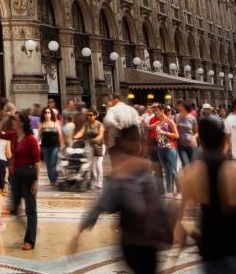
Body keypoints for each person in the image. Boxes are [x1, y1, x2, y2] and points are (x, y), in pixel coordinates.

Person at [70, 124, 173, 274]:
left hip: (142, 240)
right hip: (137, 241)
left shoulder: (135, 168)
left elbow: (101, 204)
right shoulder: (126, 172)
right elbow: (103, 203)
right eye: (137, 140)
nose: (140, 144)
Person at [173, 116, 236, 274]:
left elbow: (183, 218)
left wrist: (182, 244)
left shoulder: (189, 174)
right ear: (223, 140)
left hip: (210, 247)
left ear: (202, 142)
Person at [5, 111, 40, 249]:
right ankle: (30, 228)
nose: (13, 122)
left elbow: (37, 162)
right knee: (15, 207)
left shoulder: (31, 139)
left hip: (28, 177)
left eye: (15, 120)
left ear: (22, 123)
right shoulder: (13, 136)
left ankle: (29, 241)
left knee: (30, 210)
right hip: (15, 177)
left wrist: (36, 181)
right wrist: (5, 118)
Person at [76, 108, 106, 188]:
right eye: (88, 115)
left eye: (91, 115)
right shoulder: (86, 124)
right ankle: (94, 181)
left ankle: (99, 183)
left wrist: (95, 140)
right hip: (89, 146)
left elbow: (100, 135)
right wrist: (74, 137)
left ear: (95, 116)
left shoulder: (100, 125)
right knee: (91, 165)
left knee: (98, 165)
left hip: (99, 146)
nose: (89, 117)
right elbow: (81, 132)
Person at [154, 105, 179, 196]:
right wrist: (157, 137)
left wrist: (164, 133)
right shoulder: (158, 123)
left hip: (170, 147)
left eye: (156, 110)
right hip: (161, 148)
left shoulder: (169, 121)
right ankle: (169, 191)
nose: (155, 112)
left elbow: (176, 135)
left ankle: (180, 192)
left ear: (162, 111)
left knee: (173, 170)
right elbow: (158, 137)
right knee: (167, 170)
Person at [38, 106, 64, 186]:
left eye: (48, 112)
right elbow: (39, 136)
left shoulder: (56, 123)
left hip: (55, 146)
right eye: (45, 112)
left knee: (53, 163)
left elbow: (60, 135)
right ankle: (51, 179)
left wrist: (62, 145)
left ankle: (53, 180)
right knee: (48, 164)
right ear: (43, 114)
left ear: (51, 114)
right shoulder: (41, 124)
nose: (47, 114)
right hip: (45, 146)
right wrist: (37, 144)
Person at [174, 102, 197, 168]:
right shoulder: (177, 116)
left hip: (191, 145)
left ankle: (192, 178)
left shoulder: (192, 118)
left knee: (192, 165)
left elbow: (197, 132)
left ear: (186, 108)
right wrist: (176, 126)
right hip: (181, 145)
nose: (179, 108)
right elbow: (173, 129)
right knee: (186, 165)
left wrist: (194, 137)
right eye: (179, 106)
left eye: (181, 106)